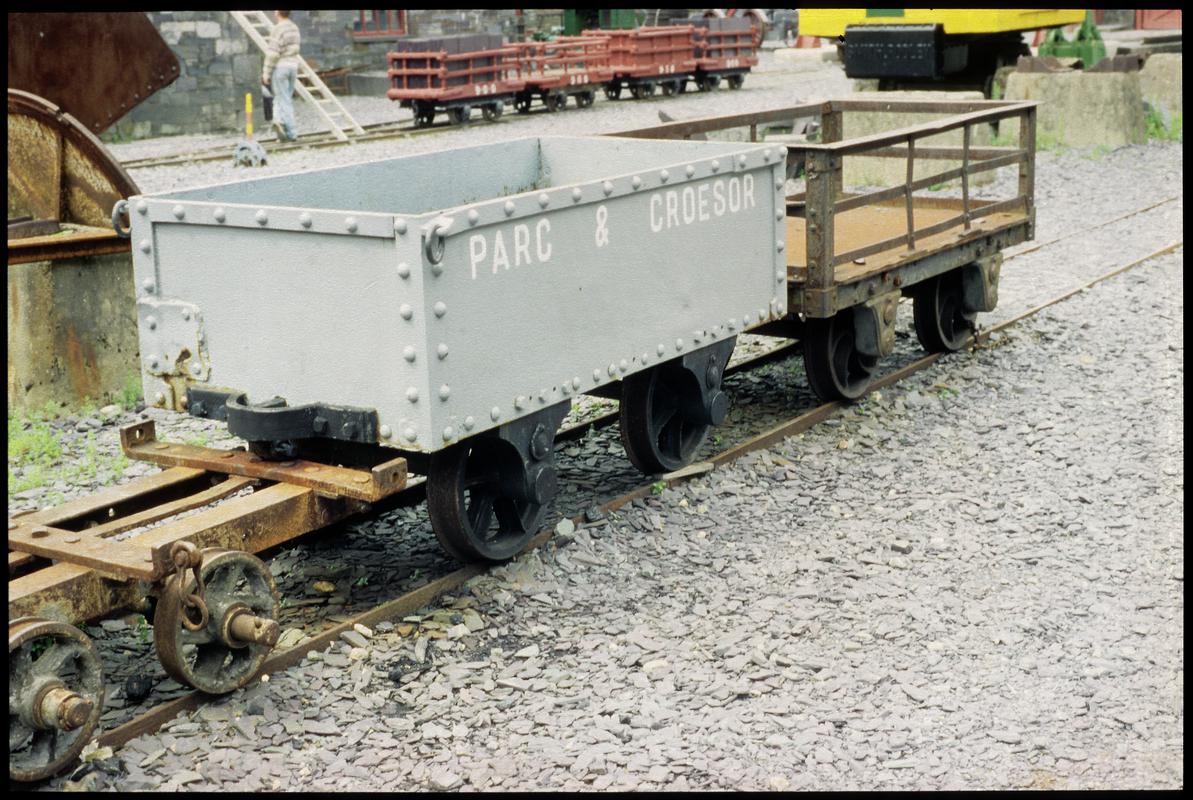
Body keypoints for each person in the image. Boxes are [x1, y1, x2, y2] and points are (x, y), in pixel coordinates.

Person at [261, 10, 300, 142]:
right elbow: (296, 48)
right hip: (293, 66)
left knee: (283, 99)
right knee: (283, 97)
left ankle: (291, 132)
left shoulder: (278, 29)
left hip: (281, 67)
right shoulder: (294, 27)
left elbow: (273, 54)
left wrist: (266, 72)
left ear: (277, 13)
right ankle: (278, 121)